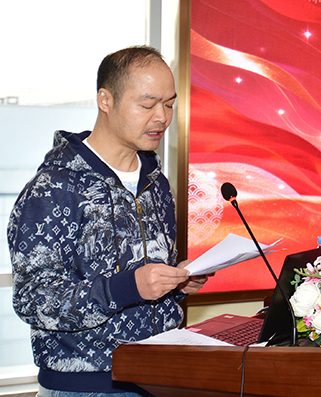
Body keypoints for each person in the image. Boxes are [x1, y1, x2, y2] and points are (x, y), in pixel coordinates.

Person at [7, 46, 210, 396]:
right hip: (85, 387)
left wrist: (175, 282)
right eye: (147, 105)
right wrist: (127, 288)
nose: (162, 117)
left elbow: (144, 278)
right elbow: (33, 300)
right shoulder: (54, 188)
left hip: (160, 375)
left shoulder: (156, 183)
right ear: (105, 100)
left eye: (169, 104)